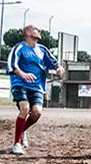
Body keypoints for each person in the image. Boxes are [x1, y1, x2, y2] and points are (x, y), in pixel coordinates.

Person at [6, 25, 64, 155]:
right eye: (34, 35)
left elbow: (54, 63)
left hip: (37, 87)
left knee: (36, 113)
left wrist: (59, 68)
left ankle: (22, 131)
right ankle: (16, 144)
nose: (37, 38)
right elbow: (11, 65)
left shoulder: (42, 50)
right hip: (20, 84)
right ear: (27, 34)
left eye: (38, 36)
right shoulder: (19, 48)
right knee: (25, 108)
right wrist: (23, 75)